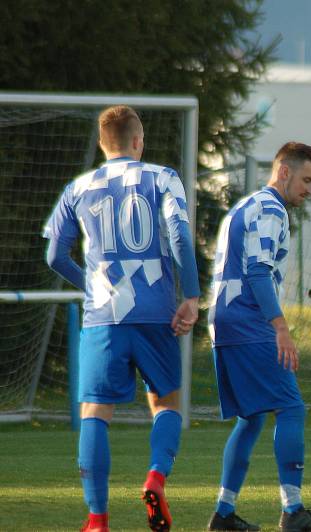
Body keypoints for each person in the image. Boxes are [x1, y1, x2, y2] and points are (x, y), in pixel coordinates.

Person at [43, 105, 201, 532]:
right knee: (166, 403)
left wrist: (89, 284)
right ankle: (155, 477)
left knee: (95, 411)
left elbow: (54, 255)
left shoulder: (79, 186)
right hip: (156, 313)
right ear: (138, 140)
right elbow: (180, 235)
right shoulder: (162, 177)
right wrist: (192, 296)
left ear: (101, 144)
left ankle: (97, 519)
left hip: (103, 316)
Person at [206, 142, 311, 532]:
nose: (310, 189)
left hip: (224, 320)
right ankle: (293, 510)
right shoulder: (270, 209)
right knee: (291, 407)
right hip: (250, 321)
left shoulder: (244, 205)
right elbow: (257, 271)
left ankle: (224, 513)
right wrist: (280, 327)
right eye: (306, 179)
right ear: (284, 172)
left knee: (251, 418)